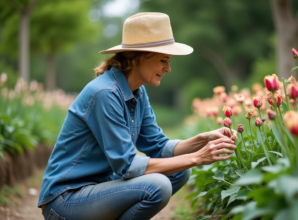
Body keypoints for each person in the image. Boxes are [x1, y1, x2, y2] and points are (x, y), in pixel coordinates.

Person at [38, 12, 237, 220]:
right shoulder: (105, 93)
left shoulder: (138, 92)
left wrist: (203, 139)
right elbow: (128, 166)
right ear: (139, 56)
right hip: (66, 199)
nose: (168, 68)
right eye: (163, 60)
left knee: (180, 171)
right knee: (158, 185)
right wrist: (197, 158)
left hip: (100, 188)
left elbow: (159, 146)